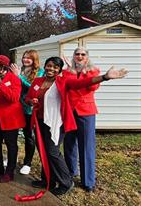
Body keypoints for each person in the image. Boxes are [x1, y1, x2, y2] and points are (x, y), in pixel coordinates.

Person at [25, 57, 127, 196]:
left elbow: (83, 83)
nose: (51, 69)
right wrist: (31, 101)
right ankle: (47, 179)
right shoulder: (37, 81)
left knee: (52, 151)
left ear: (59, 70)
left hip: (55, 122)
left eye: (55, 67)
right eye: (49, 66)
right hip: (40, 121)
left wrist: (104, 77)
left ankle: (66, 182)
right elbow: (28, 98)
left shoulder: (63, 82)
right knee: (43, 150)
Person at [62, 47, 101, 192]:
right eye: (77, 54)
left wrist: (85, 71)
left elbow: (93, 87)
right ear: (73, 56)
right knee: (69, 144)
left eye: (82, 55)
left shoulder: (93, 71)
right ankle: (71, 172)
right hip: (70, 112)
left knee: (86, 146)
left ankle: (88, 181)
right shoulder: (67, 71)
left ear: (87, 57)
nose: (79, 56)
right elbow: (66, 85)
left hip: (86, 111)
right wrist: (71, 70)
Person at [0, 55, 25, 183]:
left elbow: (14, 98)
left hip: (10, 118)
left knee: (11, 145)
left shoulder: (14, 79)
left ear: (2, 67)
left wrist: (1, 85)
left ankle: (10, 172)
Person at [10, 50, 44, 175]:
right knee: (13, 135)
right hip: (16, 108)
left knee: (29, 136)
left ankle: (27, 163)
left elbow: (33, 88)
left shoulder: (40, 72)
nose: (25, 60)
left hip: (29, 110)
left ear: (34, 59)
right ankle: (12, 158)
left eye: (29, 58)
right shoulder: (21, 70)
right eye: (24, 57)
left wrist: (18, 76)